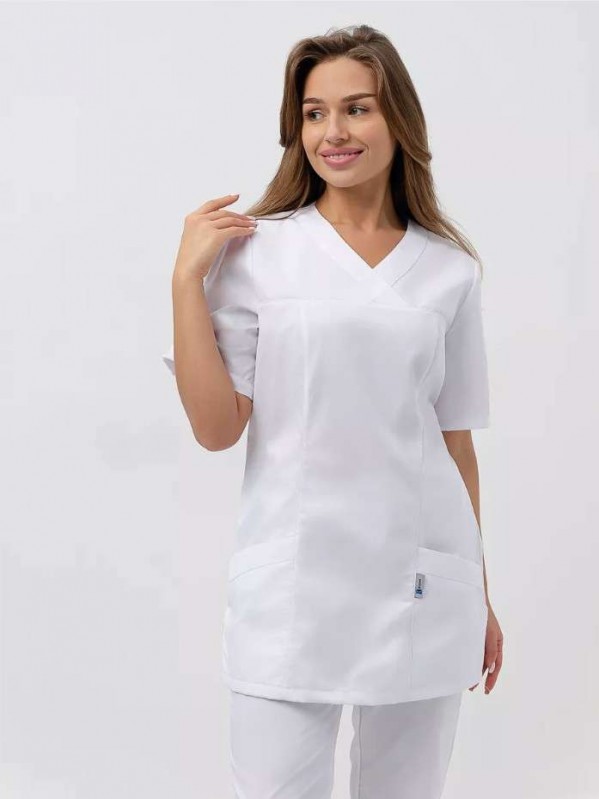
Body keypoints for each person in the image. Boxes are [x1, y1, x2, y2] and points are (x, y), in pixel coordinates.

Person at [162, 23, 503, 799]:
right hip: (292, 591)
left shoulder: (447, 270)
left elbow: (454, 441)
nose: (332, 132)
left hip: (420, 585)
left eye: (357, 108)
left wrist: (478, 591)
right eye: (313, 113)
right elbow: (215, 429)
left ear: (398, 120)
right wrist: (185, 282)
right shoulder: (254, 251)